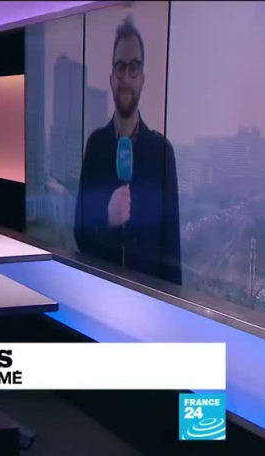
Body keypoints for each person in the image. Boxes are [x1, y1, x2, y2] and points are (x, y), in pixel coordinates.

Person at [74, 16, 182, 285]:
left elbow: (172, 250)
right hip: (99, 292)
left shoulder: (162, 153)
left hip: (147, 300)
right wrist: (106, 218)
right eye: (120, 67)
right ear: (111, 78)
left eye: (134, 67)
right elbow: (79, 232)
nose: (125, 77)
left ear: (142, 79)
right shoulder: (95, 146)